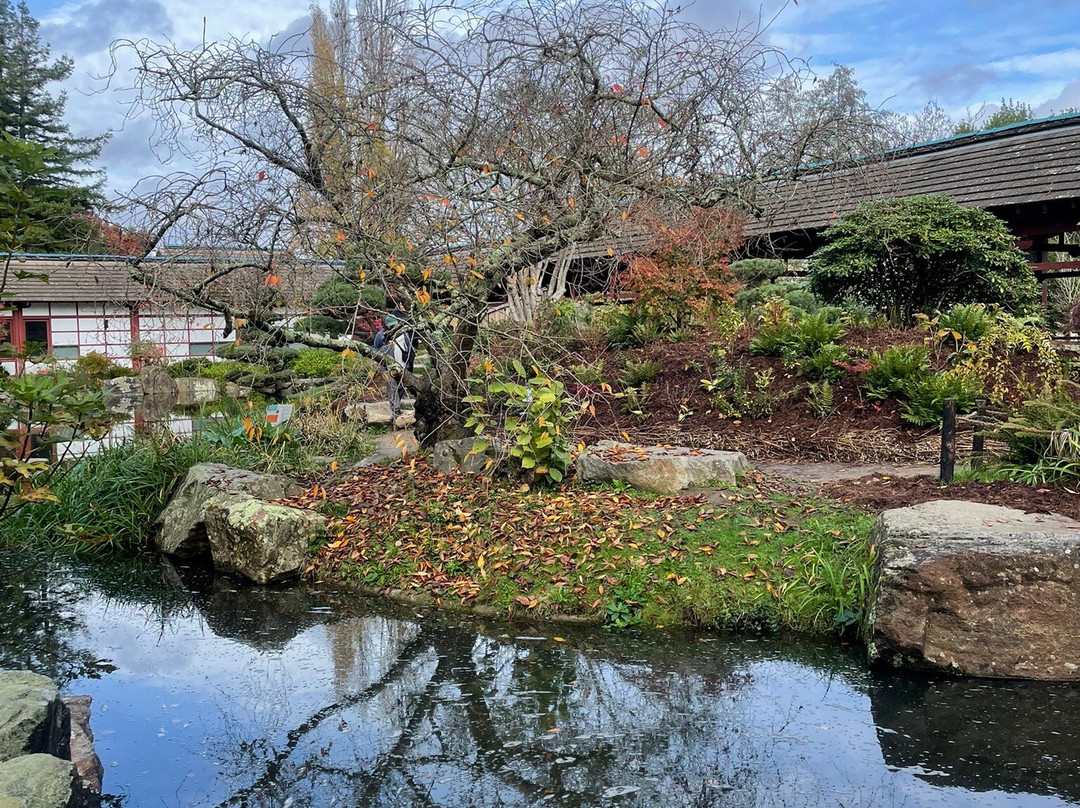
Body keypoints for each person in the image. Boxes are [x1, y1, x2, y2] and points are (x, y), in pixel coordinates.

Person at [373, 312, 415, 420]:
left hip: (403, 365)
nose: (393, 327)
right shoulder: (380, 336)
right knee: (392, 389)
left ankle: (396, 408)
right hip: (388, 367)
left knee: (401, 388)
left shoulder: (403, 333)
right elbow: (375, 351)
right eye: (391, 325)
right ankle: (395, 411)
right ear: (386, 324)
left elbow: (409, 348)